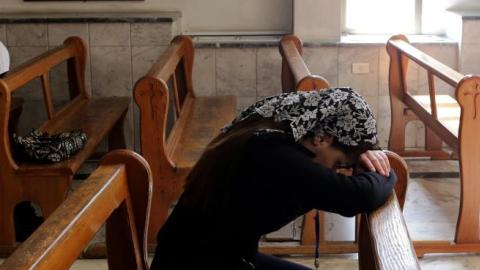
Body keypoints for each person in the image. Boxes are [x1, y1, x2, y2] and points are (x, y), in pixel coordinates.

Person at [150, 87, 396, 270]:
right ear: (322, 138)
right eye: (340, 164)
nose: (334, 172)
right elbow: (356, 197)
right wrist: (386, 169)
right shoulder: (276, 155)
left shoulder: (272, 137)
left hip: (214, 257)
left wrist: (374, 162)